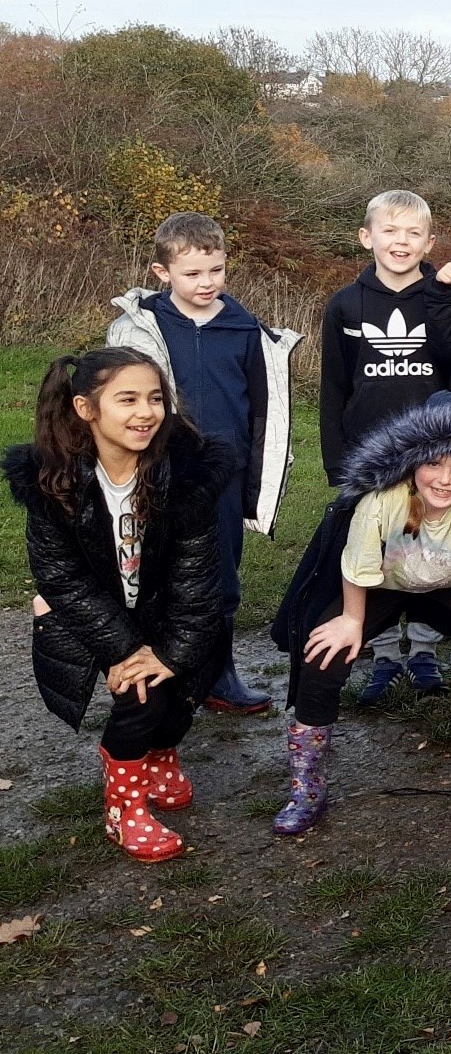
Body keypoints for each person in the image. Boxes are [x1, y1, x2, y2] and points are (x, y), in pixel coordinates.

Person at [270, 393, 451, 835]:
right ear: (413, 460)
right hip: (384, 583)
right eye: (434, 464)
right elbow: (357, 564)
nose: (444, 479)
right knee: (322, 655)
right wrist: (352, 622)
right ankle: (308, 784)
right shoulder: (381, 502)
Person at [4, 349, 229, 861]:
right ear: (86, 408)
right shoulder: (52, 482)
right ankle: (123, 807)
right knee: (140, 693)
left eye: (155, 399)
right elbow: (60, 577)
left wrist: (172, 653)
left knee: (178, 697)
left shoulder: (187, 475)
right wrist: (124, 651)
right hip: (95, 617)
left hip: (169, 612)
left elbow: (197, 576)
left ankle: (161, 755)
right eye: (127, 399)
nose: (146, 412)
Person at [108, 211, 302, 714]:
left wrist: (257, 473)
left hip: (223, 474)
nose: (206, 282)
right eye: (192, 273)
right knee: (151, 571)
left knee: (219, 575)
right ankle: (156, 671)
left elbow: (263, 409)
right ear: (161, 272)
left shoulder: (245, 329)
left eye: (215, 270)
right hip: (157, 470)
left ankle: (218, 674)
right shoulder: (139, 328)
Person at [318, 189, 451, 704]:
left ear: (429, 242)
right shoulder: (345, 304)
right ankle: (382, 653)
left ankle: (425, 649)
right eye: (390, 231)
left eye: (413, 234)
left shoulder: (443, 298)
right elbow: (335, 386)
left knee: (429, 549)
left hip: (433, 456)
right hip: (369, 456)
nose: (400, 242)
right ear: (367, 237)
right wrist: (337, 460)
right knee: (377, 552)